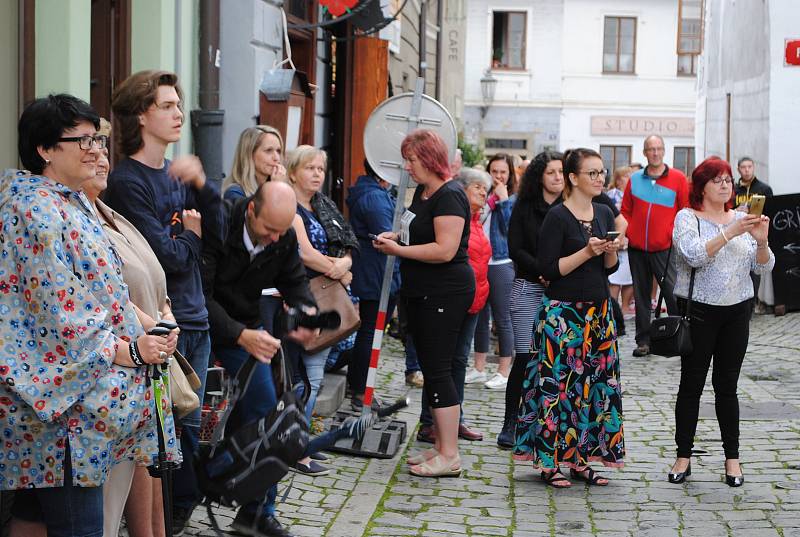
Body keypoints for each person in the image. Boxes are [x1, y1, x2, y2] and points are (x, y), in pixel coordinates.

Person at [2, 94, 170, 537]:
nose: (96, 149)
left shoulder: (68, 201)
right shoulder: (35, 209)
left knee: (35, 516)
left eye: (97, 138)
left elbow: (103, 292)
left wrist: (142, 330)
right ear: (45, 150)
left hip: (75, 408)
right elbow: (58, 312)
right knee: (79, 526)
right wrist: (128, 349)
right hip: (64, 412)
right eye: (82, 140)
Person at [104, 70, 226, 533]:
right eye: (168, 106)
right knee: (165, 443)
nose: (179, 114)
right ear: (142, 115)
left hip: (195, 318)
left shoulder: (178, 172)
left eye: (179, 105)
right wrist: (189, 235)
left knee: (190, 438)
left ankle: (173, 520)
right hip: (161, 325)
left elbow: (219, 236)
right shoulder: (128, 181)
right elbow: (168, 257)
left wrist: (202, 188)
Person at [81, 121, 181, 537]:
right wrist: (146, 332)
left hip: (143, 364)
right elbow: (108, 294)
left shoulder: (109, 212)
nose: (101, 157)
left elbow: (153, 274)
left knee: (146, 474)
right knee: (100, 511)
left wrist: (164, 317)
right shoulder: (76, 219)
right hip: (113, 374)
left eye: (103, 146)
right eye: (89, 146)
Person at [202, 181, 319, 536]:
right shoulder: (217, 223)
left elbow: (295, 280)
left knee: (271, 417)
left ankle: (257, 512)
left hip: (248, 332)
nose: (274, 238)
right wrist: (238, 333)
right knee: (192, 424)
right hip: (200, 327)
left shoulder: (281, 235)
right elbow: (198, 295)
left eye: (282, 231)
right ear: (251, 209)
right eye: (269, 229)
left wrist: (305, 310)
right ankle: (182, 501)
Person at [514, 148, 624, 488]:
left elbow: (610, 269)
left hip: (598, 314)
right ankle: (549, 462)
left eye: (601, 172)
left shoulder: (605, 213)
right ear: (573, 178)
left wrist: (610, 251)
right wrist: (587, 251)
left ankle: (580, 460)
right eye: (592, 173)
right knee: (556, 390)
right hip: (562, 316)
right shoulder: (558, 217)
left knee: (592, 391)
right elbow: (549, 270)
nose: (599, 178)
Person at [667, 157, 774, 488]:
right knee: (692, 385)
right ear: (701, 187)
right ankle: (683, 456)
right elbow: (694, 255)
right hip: (698, 311)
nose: (726, 184)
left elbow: (764, 267)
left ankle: (733, 459)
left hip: (737, 312)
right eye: (718, 180)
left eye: (728, 179)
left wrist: (760, 240)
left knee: (727, 387)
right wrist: (730, 231)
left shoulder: (743, 219)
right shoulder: (688, 217)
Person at [373, 129, 474, 478]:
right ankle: (442, 445)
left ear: (429, 159)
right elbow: (420, 234)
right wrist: (397, 237)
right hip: (423, 291)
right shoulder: (424, 192)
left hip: (444, 292)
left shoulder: (450, 196)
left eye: (412, 159)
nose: (407, 166)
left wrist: (399, 250)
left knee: (440, 370)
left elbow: (444, 249)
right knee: (432, 370)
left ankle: (450, 454)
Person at [286, 145, 359, 475]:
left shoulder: (322, 205)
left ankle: (300, 444)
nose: (317, 174)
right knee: (308, 378)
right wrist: (340, 270)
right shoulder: (288, 205)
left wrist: (344, 263)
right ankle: (296, 450)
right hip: (303, 298)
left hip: (326, 295)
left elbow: (346, 244)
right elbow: (306, 254)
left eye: (320, 168)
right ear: (293, 171)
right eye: (309, 168)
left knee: (313, 375)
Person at [415, 169, 491, 446]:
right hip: (451, 297)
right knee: (440, 363)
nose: (483, 193)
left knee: (458, 361)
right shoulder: (451, 217)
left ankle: (453, 418)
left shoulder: (479, 221)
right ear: (461, 190)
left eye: (485, 189)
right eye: (477, 187)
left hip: (474, 299)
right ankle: (430, 422)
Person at [497, 150, 564, 449]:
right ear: (539, 176)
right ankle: (512, 420)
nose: (558, 178)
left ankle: (549, 424)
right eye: (551, 172)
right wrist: (543, 271)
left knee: (556, 361)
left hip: (562, 290)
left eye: (562, 172)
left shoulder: (571, 208)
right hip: (528, 287)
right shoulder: (524, 206)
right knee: (525, 357)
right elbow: (516, 249)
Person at [346, 161, 416, 397]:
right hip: (377, 274)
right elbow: (387, 236)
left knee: (371, 331)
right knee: (371, 332)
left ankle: (358, 386)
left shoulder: (373, 193)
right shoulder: (374, 198)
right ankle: (360, 390)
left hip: (376, 273)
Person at [621, 135, 689, 357]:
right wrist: (628, 232)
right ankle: (644, 341)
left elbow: (685, 212)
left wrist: (673, 236)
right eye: (651, 149)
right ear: (644, 152)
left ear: (664, 151)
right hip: (637, 248)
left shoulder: (678, 179)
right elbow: (626, 211)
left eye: (659, 148)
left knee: (671, 292)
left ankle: (678, 337)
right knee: (641, 296)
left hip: (665, 248)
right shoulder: (635, 179)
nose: (655, 153)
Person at [465, 153, 517, 390]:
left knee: (503, 318)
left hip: (500, 262)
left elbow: (511, 231)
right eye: (494, 171)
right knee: (479, 317)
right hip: (478, 261)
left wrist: (504, 201)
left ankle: (504, 371)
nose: (498, 176)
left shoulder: (513, 198)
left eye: (503, 172)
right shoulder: (482, 196)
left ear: (510, 174)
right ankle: (478, 367)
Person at [734, 156, 774, 315]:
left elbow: (772, 211)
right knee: (739, 269)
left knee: (755, 271)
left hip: (756, 235)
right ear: (738, 169)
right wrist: (736, 210)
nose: (747, 170)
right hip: (737, 234)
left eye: (749, 166)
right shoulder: (733, 190)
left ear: (754, 167)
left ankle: (750, 306)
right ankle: (741, 305)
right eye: (743, 167)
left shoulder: (764, 189)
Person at [223, 125, 286, 202]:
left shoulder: (281, 185)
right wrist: (276, 188)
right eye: (268, 150)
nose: (276, 158)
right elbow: (264, 213)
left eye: (278, 151)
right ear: (249, 154)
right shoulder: (235, 193)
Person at [607, 166, 634, 315]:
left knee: (629, 278)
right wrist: (619, 237)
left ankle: (624, 308)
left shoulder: (634, 195)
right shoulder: (613, 195)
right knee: (615, 278)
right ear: (618, 180)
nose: (630, 178)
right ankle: (613, 309)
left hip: (632, 242)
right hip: (618, 241)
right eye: (626, 176)